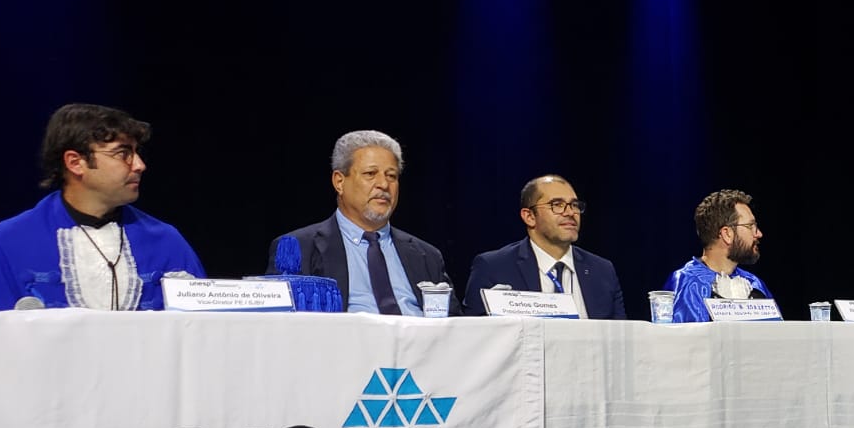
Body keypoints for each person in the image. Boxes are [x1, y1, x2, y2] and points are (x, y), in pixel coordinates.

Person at [0, 103, 206, 310]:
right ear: (75, 163)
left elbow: (202, 333)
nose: (139, 165)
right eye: (123, 154)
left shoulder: (166, 242)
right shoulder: (7, 244)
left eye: (137, 153)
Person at [267, 130, 461, 316]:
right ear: (339, 182)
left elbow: (454, 326)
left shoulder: (427, 256)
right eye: (370, 173)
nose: (383, 185)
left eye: (391, 176)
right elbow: (280, 323)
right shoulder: (297, 247)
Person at [463, 175, 626, 318]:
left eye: (574, 205)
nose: (570, 213)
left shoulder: (602, 271)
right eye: (557, 204)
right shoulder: (494, 267)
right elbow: (475, 334)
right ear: (529, 217)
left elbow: (620, 335)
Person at [664, 189, 772, 323]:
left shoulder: (754, 283)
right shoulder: (688, 283)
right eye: (751, 226)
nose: (759, 234)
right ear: (727, 234)